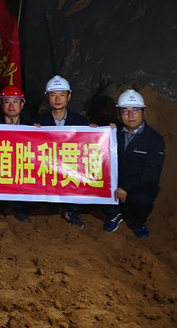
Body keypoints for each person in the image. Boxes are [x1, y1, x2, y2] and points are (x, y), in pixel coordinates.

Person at [103, 89, 165, 238]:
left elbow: (151, 173)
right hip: (116, 182)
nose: (130, 115)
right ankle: (115, 213)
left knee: (142, 200)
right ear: (119, 115)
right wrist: (95, 131)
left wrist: (126, 187)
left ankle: (137, 222)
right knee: (94, 186)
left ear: (143, 112)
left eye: (135, 110)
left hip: (139, 185)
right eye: (125, 111)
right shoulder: (112, 133)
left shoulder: (154, 140)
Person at [34, 75, 89, 228]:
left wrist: (99, 132)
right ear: (47, 97)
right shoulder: (39, 122)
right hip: (48, 169)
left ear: (69, 97)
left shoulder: (81, 122)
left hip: (72, 169)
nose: (57, 99)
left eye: (62, 94)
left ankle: (73, 210)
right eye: (53, 95)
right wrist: (34, 132)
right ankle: (51, 207)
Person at [0, 85, 32, 223]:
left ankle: (20, 209)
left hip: (21, 167)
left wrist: (39, 131)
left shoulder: (31, 126)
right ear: (1, 105)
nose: (11, 106)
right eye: (7, 102)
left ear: (22, 105)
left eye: (15, 102)